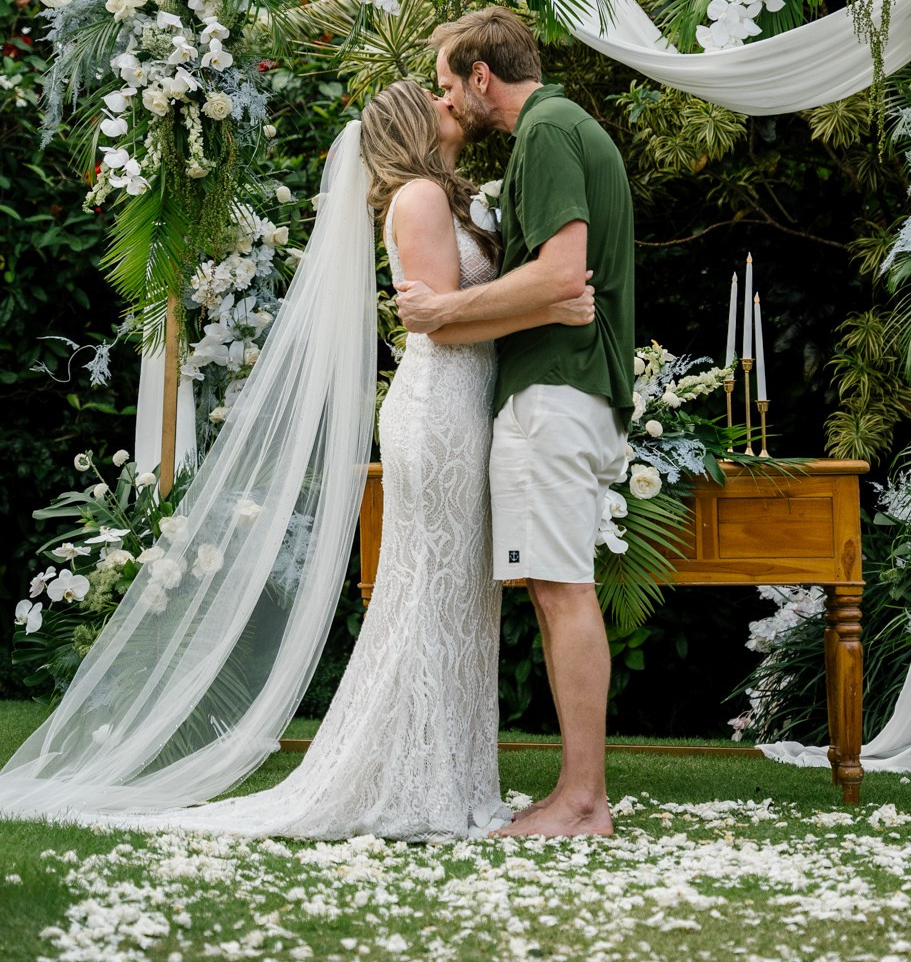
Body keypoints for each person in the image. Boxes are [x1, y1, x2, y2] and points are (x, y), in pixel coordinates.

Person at [0, 80, 593, 839]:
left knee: (455, 598)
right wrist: (549, 305)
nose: (452, 102)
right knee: (428, 594)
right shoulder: (416, 197)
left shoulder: (448, 195)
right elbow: (442, 326)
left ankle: (445, 773)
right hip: (440, 410)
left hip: (464, 411)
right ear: (413, 123)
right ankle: (411, 779)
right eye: (436, 98)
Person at [396, 7, 635, 839]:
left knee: (562, 591)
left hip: (552, 394)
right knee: (554, 586)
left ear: (480, 78)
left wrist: (442, 309)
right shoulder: (569, 125)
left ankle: (581, 802)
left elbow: (564, 274)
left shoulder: (543, 133)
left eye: (446, 84)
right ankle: (579, 796)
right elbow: (558, 284)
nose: (447, 101)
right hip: (572, 390)